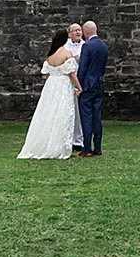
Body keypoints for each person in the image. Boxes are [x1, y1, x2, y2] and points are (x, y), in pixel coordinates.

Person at [16, 23, 83, 159]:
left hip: (51, 85)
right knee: (63, 114)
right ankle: (60, 146)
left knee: (48, 113)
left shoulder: (50, 56)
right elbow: (71, 73)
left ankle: (46, 142)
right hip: (63, 85)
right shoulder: (66, 53)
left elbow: (46, 74)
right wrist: (79, 87)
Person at [72, 20, 109, 157]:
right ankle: (98, 147)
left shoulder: (87, 46)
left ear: (86, 32)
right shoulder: (104, 46)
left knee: (86, 116)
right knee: (97, 116)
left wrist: (79, 86)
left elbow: (83, 68)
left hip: (87, 86)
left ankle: (87, 148)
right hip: (98, 84)